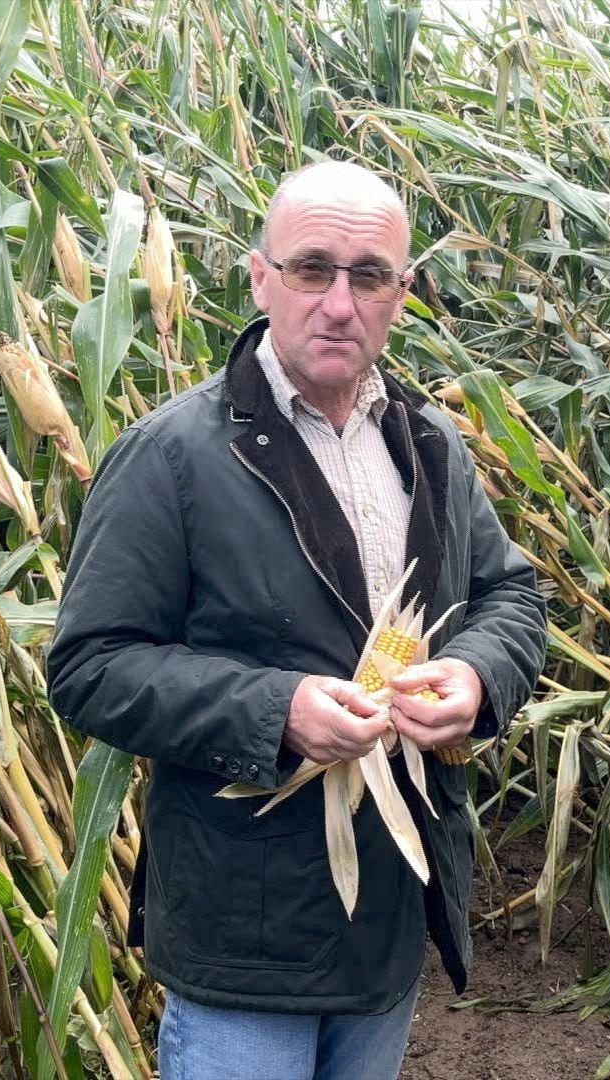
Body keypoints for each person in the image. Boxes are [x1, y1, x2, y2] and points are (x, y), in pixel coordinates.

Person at [45, 159, 547, 1080]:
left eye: (371, 277)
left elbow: (511, 594)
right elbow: (89, 665)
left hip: (390, 907)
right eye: (313, 268)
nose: (340, 303)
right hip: (247, 930)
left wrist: (476, 679)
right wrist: (275, 710)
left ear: (401, 293)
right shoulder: (173, 457)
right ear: (260, 277)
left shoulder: (428, 444)